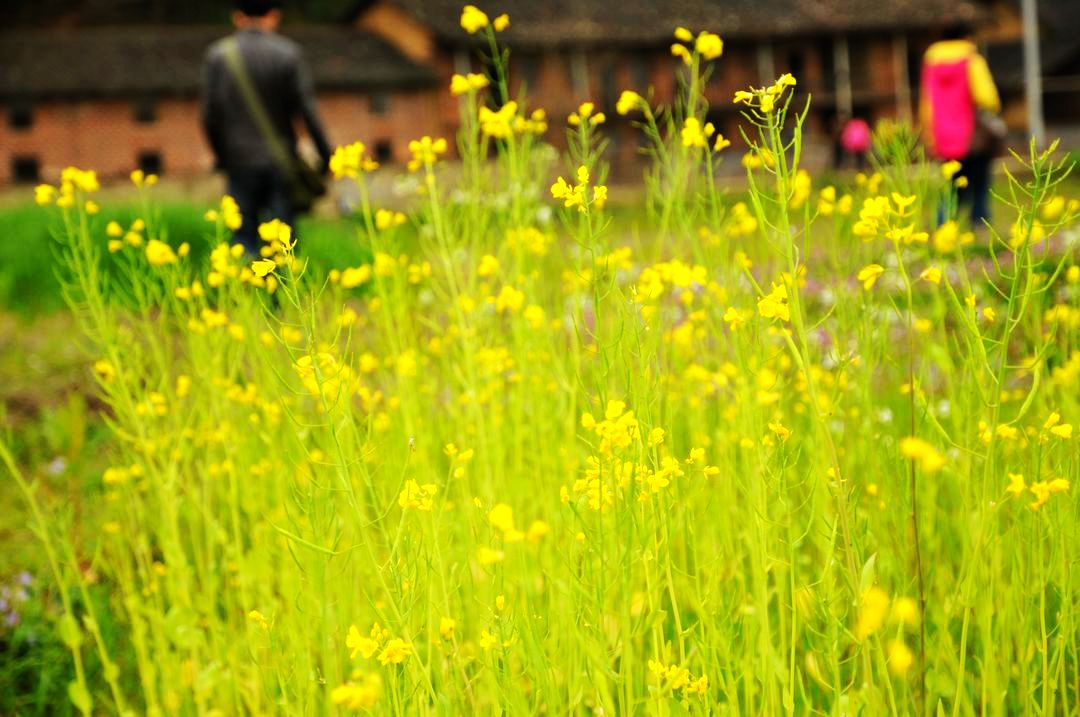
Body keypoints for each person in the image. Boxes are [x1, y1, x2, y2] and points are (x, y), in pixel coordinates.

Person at [201, 0, 331, 255]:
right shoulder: (288, 54)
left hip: (238, 161)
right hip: (280, 160)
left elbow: (209, 116)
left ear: (237, 17)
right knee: (282, 241)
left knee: (243, 236)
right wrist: (326, 157)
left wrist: (221, 156)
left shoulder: (218, 56)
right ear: (274, 16)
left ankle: (248, 288)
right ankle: (281, 292)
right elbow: (307, 112)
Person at [920, 21, 1002, 227]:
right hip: (973, 136)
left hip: (943, 137)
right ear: (967, 37)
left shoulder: (931, 64)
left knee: (949, 186)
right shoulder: (972, 60)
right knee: (979, 184)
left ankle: (944, 227)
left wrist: (930, 135)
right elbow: (987, 98)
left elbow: (926, 103)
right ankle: (979, 225)